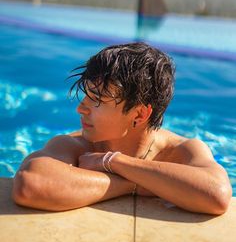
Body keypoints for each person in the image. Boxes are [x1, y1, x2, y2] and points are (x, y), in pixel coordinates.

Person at [12, 42, 232, 214]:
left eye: (96, 99)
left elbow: (217, 194)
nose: (80, 109)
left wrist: (112, 161)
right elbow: (30, 184)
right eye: (85, 96)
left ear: (139, 114)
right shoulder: (76, 145)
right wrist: (133, 185)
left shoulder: (180, 150)